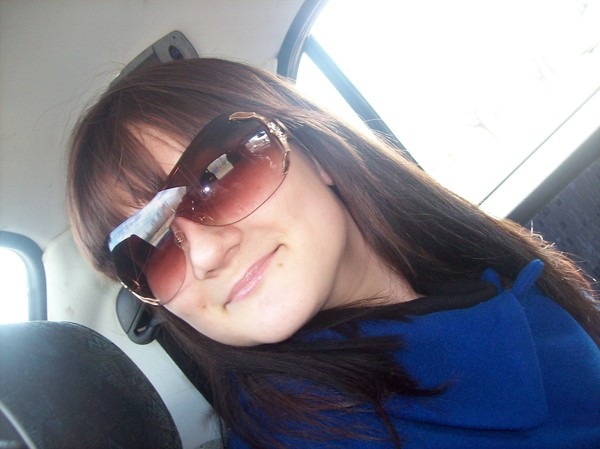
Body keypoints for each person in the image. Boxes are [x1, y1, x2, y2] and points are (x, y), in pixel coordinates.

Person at [67, 58, 600, 448]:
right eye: (152, 247)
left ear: (315, 151)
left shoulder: (498, 275)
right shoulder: (300, 434)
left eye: (218, 175)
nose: (204, 254)